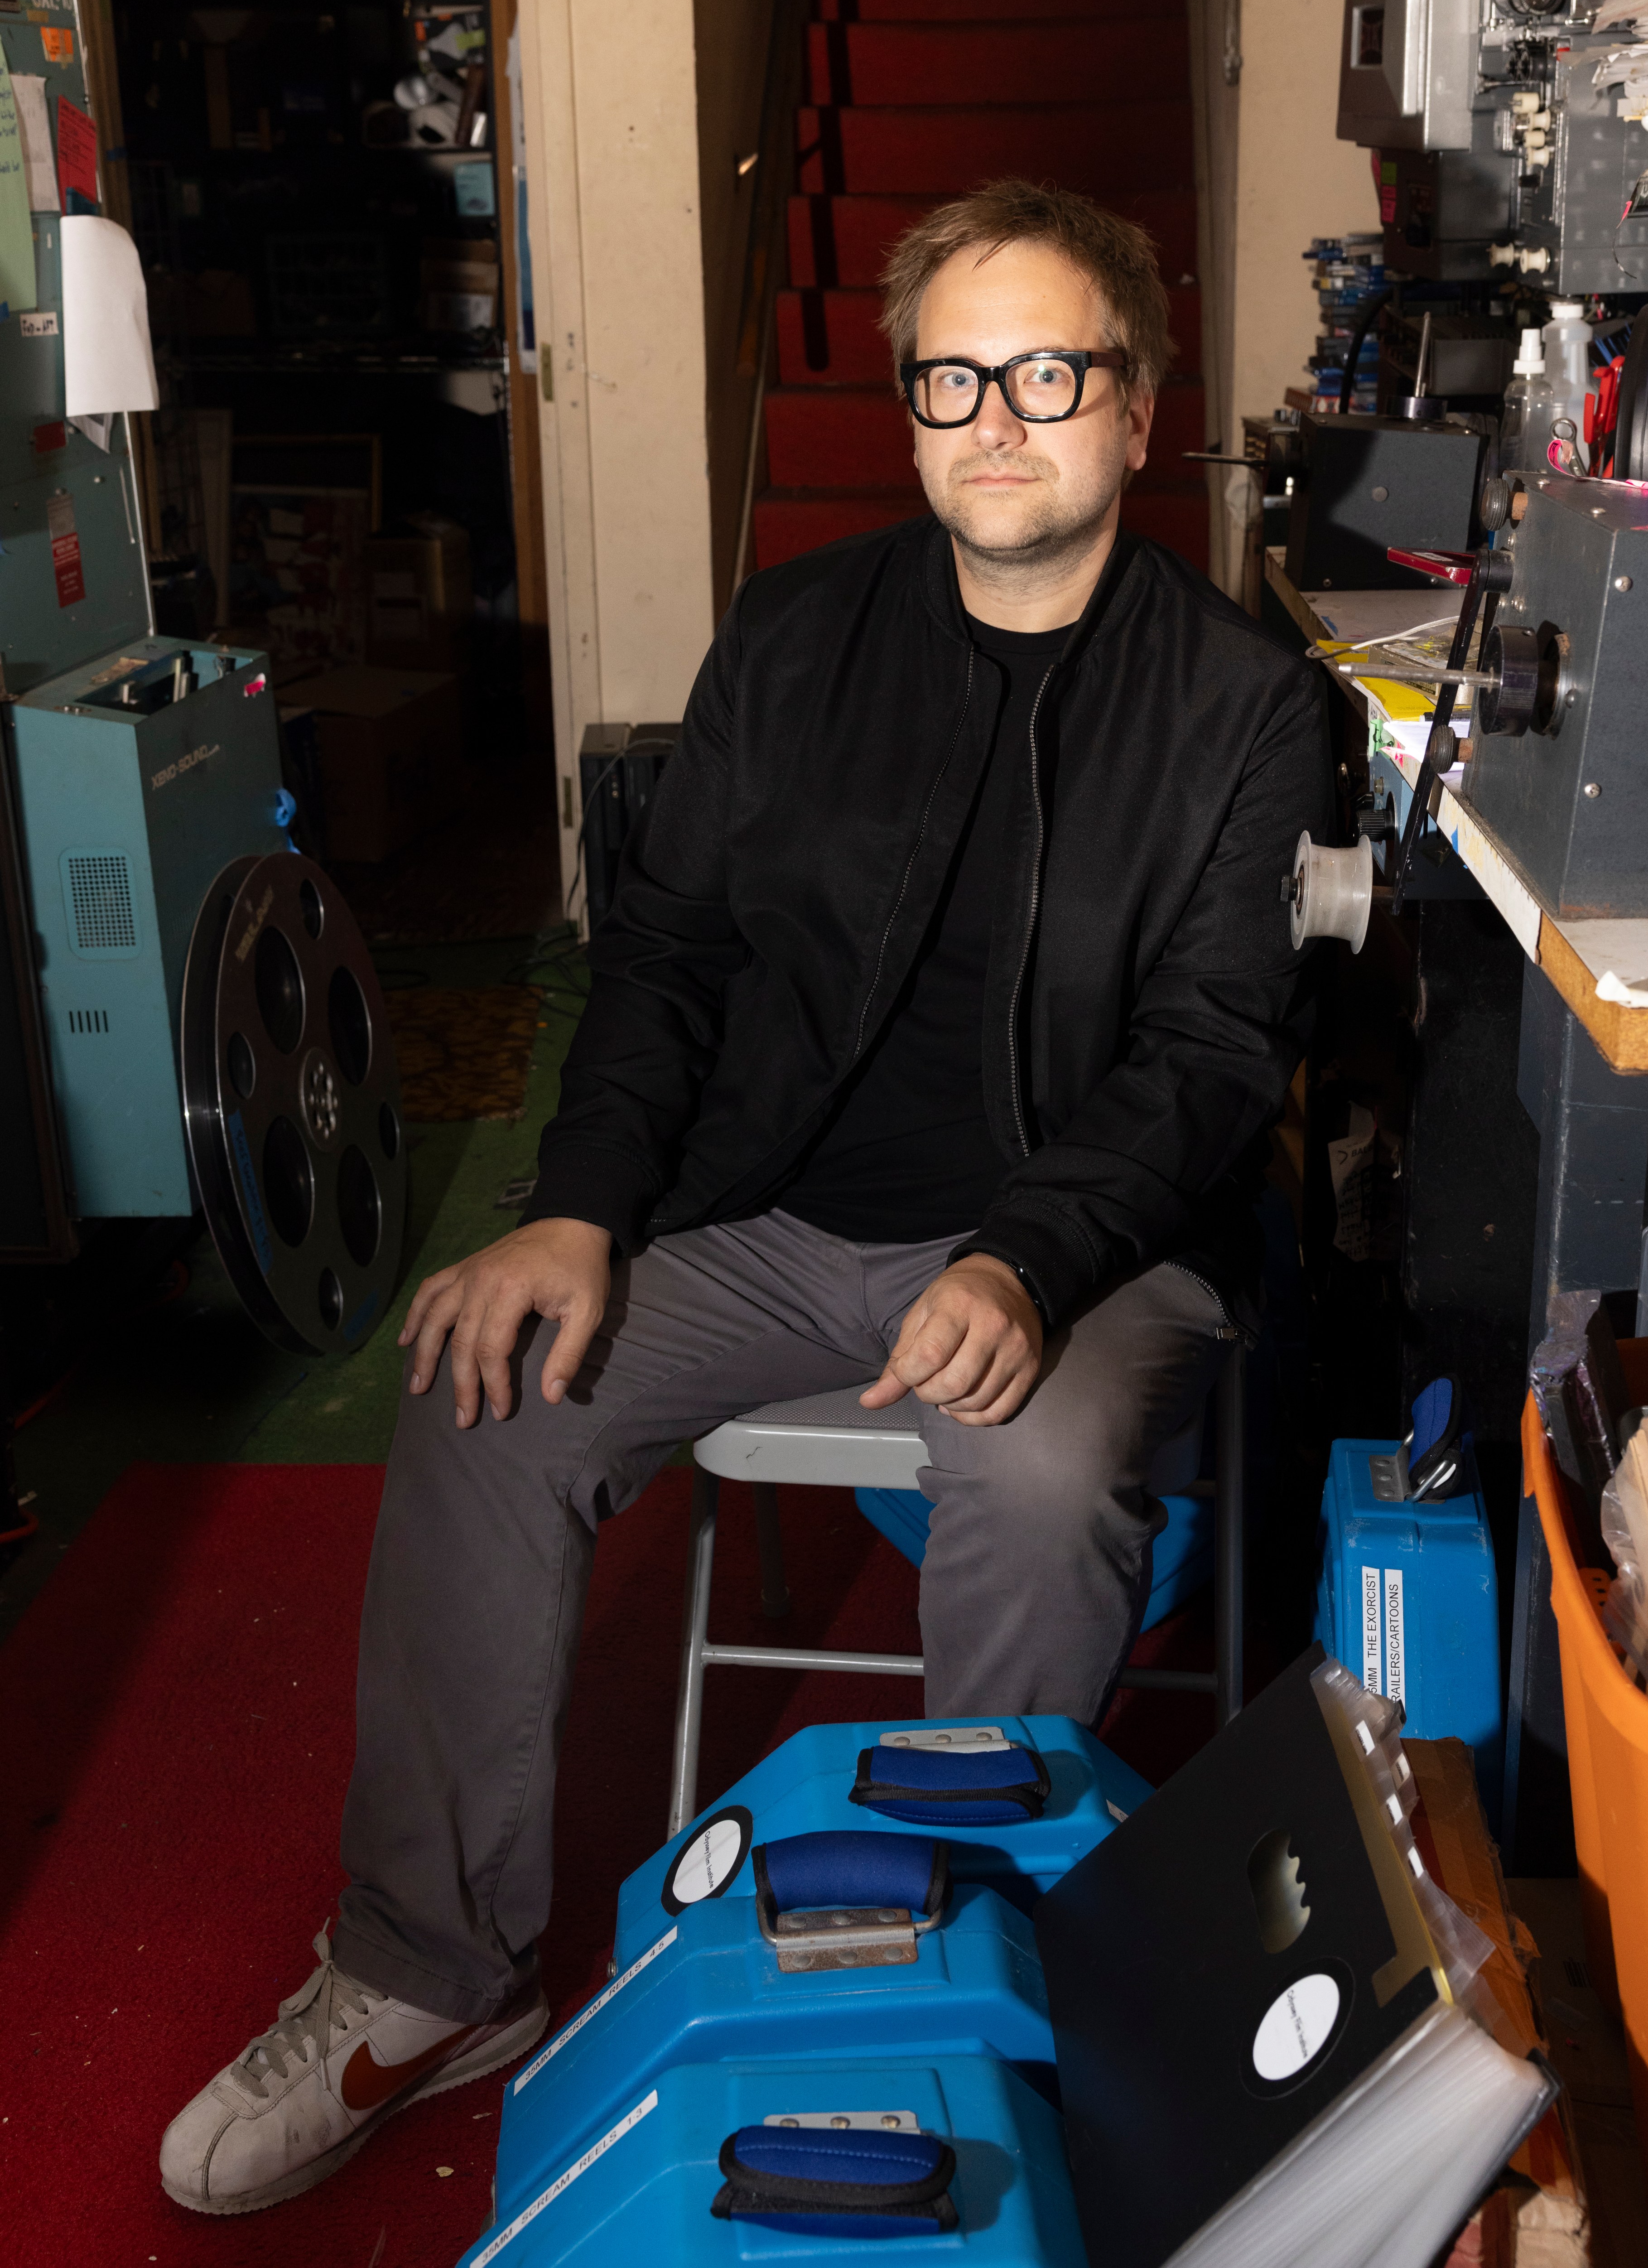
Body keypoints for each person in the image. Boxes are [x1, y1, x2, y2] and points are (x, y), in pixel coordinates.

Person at [160, 178, 1331, 2215]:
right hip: (782, 1215)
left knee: (1041, 1478)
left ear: (1138, 410)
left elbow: (1213, 1052)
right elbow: (673, 956)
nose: (997, 418)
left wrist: (1027, 1258)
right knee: (486, 1384)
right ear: (909, 410)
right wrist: (579, 1201)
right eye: (951, 377)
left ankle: (974, 1974)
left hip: (1092, 1244)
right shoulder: (800, 634)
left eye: (1048, 371)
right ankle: (431, 1969)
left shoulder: (1243, 706)